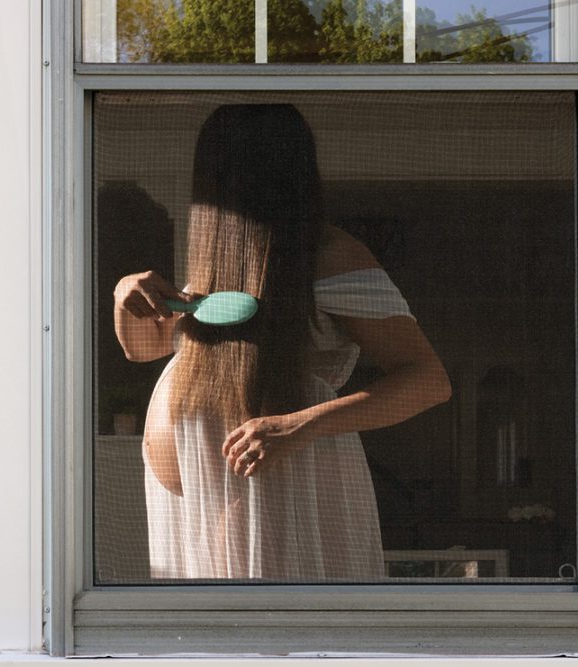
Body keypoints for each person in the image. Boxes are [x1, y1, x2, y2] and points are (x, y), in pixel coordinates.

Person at [113, 104, 451, 579]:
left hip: (277, 491)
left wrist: (297, 426)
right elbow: (142, 349)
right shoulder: (218, 262)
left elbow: (429, 381)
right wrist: (123, 296)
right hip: (202, 506)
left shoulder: (328, 256)